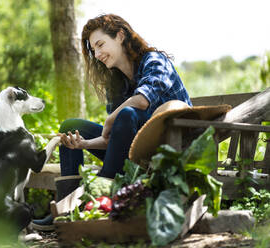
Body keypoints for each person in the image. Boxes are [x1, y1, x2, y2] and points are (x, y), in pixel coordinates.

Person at [31, 13, 192, 231]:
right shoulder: (115, 83)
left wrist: (111, 118)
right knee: (71, 127)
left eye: (100, 45)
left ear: (120, 35)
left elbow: (142, 101)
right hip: (132, 154)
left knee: (126, 113)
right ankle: (65, 208)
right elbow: (114, 138)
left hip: (167, 151)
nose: (97, 55)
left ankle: (100, 191)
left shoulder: (154, 61)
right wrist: (85, 144)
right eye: (93, 50)